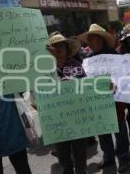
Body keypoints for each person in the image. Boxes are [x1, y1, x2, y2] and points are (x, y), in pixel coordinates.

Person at [79, 24, 130, 173]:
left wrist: (116, 86)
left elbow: (124, 77)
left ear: (101, 40)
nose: (90, 42)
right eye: (89, 40)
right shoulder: (88, 60)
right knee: (102, 131)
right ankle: (108, 157)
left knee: (120, 132)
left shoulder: (114, 56)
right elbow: (86, 81)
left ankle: (124, 160)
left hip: (115, 101)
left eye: (93, 39)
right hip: (98, 102)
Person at [47, 33, 88, 174]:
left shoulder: (76, 66)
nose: (57, 48)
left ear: (66, 48)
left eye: (60, 45)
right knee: (63, 155)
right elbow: (40, 91)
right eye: (54, 46)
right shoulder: (45, 69)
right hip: (57, 119)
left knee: (80, 154)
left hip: (77, 116)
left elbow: (87, 88)